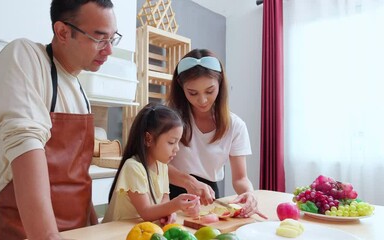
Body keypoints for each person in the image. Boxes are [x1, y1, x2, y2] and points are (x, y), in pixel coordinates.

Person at [0, 1, 121, 239]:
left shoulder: (80, 92)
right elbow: (25, 142)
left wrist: (92, 227)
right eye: (100, 38)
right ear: (62, 31)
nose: (109, 50)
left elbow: (78, 178)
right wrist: (48, 236)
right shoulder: (25, 56)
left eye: (112, 39)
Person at [167, 49, 267, 219]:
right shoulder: (168, 119)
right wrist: (188, 182)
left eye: (209, 91)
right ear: (181, 87)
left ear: (220, 84)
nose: (202, 100)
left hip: (209, 197)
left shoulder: (235, 126)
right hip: (169, 195)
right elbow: (154, 165)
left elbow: (240, 178)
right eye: (193, 93)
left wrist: (249, 194)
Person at [102, 102, 200, 224]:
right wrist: (175, 205)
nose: (177, 148)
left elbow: (164, 199)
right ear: (148, 139)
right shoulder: (133, 167)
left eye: (178, 142)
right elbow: (146, 212)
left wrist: (170, 213)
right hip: (116, 233)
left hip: (142, 229)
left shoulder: (162, 166)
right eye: (171, 142)